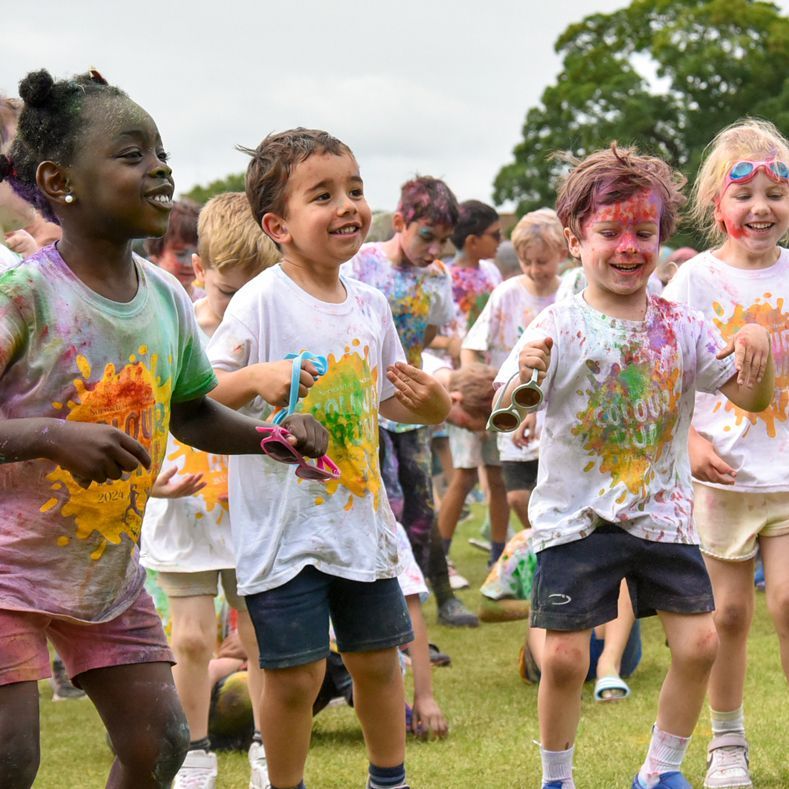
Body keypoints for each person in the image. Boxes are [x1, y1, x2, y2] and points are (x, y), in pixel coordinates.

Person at [0, 69, 327, 789]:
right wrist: (51, 435)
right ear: (60, 180)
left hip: (106, 576)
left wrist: (271, 437)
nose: (160, 167)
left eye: (161, 152)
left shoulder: (165, 297)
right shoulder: (25, 295)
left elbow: (191, 410)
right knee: (10, 754)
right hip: (6, 571)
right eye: (132, 153)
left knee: (161, 742)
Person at [494, 144, 774, 789]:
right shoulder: (556, 325)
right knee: (565, 660)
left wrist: (757, 354)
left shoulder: (686, 325)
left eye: (643, 233)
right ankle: (556, 778)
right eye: (610, 231)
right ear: (574, 239)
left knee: (701, 644)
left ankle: (659, 770)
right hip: (575, 518)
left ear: (661, 236)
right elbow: (507, 419)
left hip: (665, 515)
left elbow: (748, 398)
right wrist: (522, 379)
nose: (628, 247)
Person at [207, 127, 451, 789]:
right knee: (295, 676)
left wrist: (430, 404)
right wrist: (263, 376)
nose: (348, 205)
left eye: (355, 189)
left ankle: (388, 779)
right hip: (283, 534)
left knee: (379, 663)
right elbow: (202, 393)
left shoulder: (370, 306)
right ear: (277, 225)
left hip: (360, 526)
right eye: (323, 195)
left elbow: (394, 401)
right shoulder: (260, 298)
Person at [663, 118, 789, 789]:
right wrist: (690, 438)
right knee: (729, 615)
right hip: (719, 477)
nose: (760, 207)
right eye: (743, 195)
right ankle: (726, 743)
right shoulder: (693, 283)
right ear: (717, 205)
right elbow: (666, 377)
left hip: (786, 476)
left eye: (775, 191)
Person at [141, 191, 280, 789]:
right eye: (227, 292)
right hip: (185, 508)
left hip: (254, 514)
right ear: (199, 271)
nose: (236, 306)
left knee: (256, 637)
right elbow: (147, 413)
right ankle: (195, 753)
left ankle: (264, 746)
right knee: (192, 638)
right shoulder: (175, 328)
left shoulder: (271, 337)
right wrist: (152, 482)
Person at [344, 176, 478, 628]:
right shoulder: (359, 266)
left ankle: (441, 596)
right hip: (365, 406)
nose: (435, 249)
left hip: (411, 407)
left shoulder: (437, 278)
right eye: (427, 236)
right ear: (400, 222)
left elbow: (432, 334)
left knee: (422, 508)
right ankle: (394, 610)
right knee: (387, 505)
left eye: (443, 241)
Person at [462, 208, 565, 529]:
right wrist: (474, 391)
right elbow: (471, 345)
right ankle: (537, 548)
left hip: (557, 417)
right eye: (527, 262)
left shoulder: (569, 295)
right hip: (514, 410)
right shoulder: (506, 295)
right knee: (517, 497)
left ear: (561, 253)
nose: (534, 270)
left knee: (553, 500)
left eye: (542, 261)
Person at [434, 199, 509, 566]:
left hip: (492, 385)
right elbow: (429, 333)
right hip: (463, 388)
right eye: (494, 235)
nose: (500, 241)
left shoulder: (493, 274)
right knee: (464, 476)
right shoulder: (443, 277)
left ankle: (498, 557)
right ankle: (440, 557)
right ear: (473, 239)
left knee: (497, 477)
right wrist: (450, 346)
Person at [144, 198, 201, 296]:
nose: (189, 264)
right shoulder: (145, 298)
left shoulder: (208, 302)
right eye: (181, 254)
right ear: (157, 253)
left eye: (197, 254)